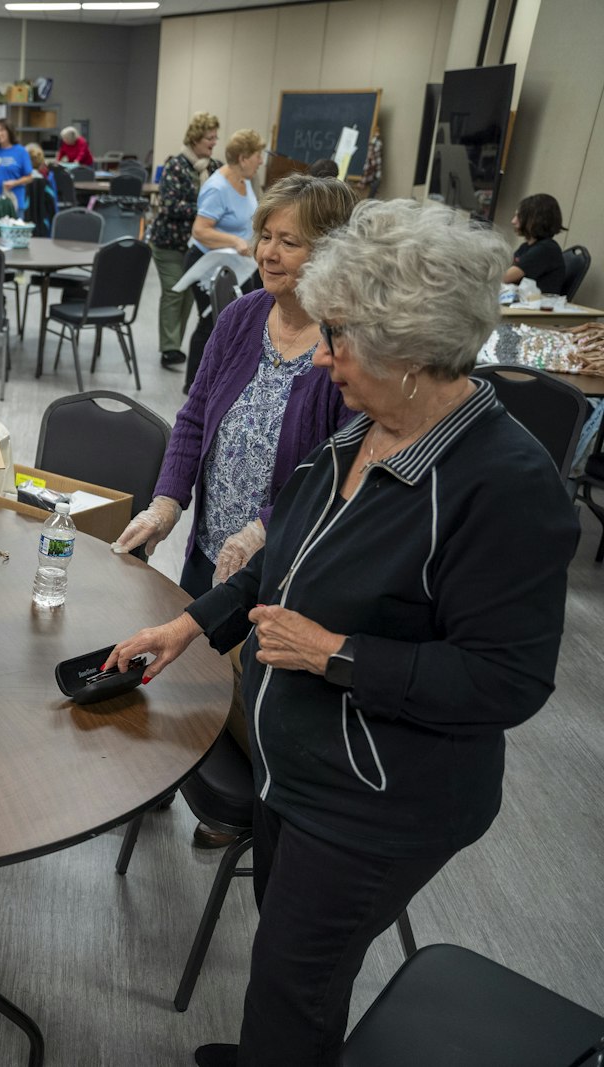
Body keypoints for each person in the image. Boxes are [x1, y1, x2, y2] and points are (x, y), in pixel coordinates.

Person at [107, 198, 578, 1067]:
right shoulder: (363, 432)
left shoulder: (505, 487)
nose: (322, 359)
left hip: (381, 798)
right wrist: (189, 621)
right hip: (301, 764)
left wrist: (337, 654)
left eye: (341, 339)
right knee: (286, 963)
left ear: (410, 345)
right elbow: (279, 563)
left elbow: (507, 682)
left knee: (295, 982)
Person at [118, 174, 359, 593]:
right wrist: (166, 503)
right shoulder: (241, 317)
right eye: (265, 236)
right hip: (211, 553)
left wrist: (262, 531)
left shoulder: (346, 347)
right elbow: (195, 417)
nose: (267, 253)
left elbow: (341, 476)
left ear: (329, 256)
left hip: (287, 571)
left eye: (289, 242)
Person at [184, 128, 266, 387]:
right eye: (257, 155)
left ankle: (224, 378)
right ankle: (194, 385)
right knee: (211, 322)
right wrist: (235, 240)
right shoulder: (217, 187)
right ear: (243, 158)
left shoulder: (244, 181)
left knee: (242, 320)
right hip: (209, 263)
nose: (261, 161)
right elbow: (200, 230)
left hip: (238, 264)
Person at [151, 113, 223, 370]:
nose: (213, 142)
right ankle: (169, 349)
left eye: (215, 137)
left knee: (188, 298)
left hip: (199, 247)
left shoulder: (215, 167)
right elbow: (170, 205)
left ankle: (176, 344)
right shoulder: (176, 166)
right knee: (174, 292)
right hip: (169, 244)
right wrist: (205, 211)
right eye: (209, 137)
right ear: (195, 138)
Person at [503, 192, 568, 295]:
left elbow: (504, 277)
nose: (513, 221)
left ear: (535, 220)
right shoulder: (526, 247)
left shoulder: (546, 250)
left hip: (536, 306)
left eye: (518, 217)